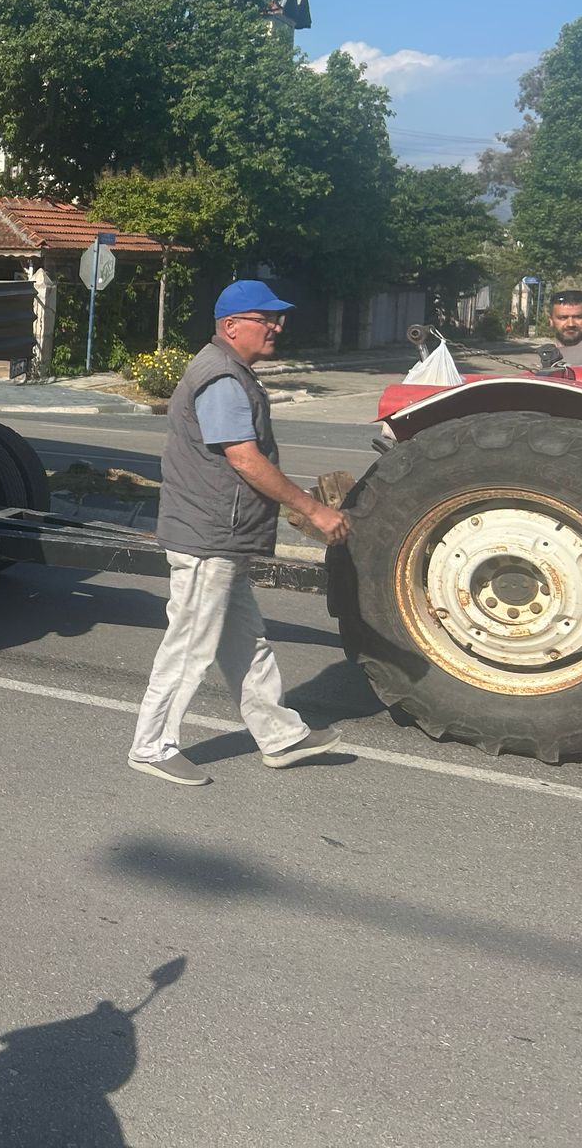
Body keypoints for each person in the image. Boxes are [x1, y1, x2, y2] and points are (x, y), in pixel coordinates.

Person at [128, 280, 350, 786]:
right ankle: (151, 746)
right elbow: (245, 460)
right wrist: (313, 510)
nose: (278, 326)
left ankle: (279, 735)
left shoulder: (230, 372)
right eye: (265, 318)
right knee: (190, 645)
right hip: (208, 536)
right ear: (231, 325)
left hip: (221, 535)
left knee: (246, 641)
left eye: (278, 317)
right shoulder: (222, 378)